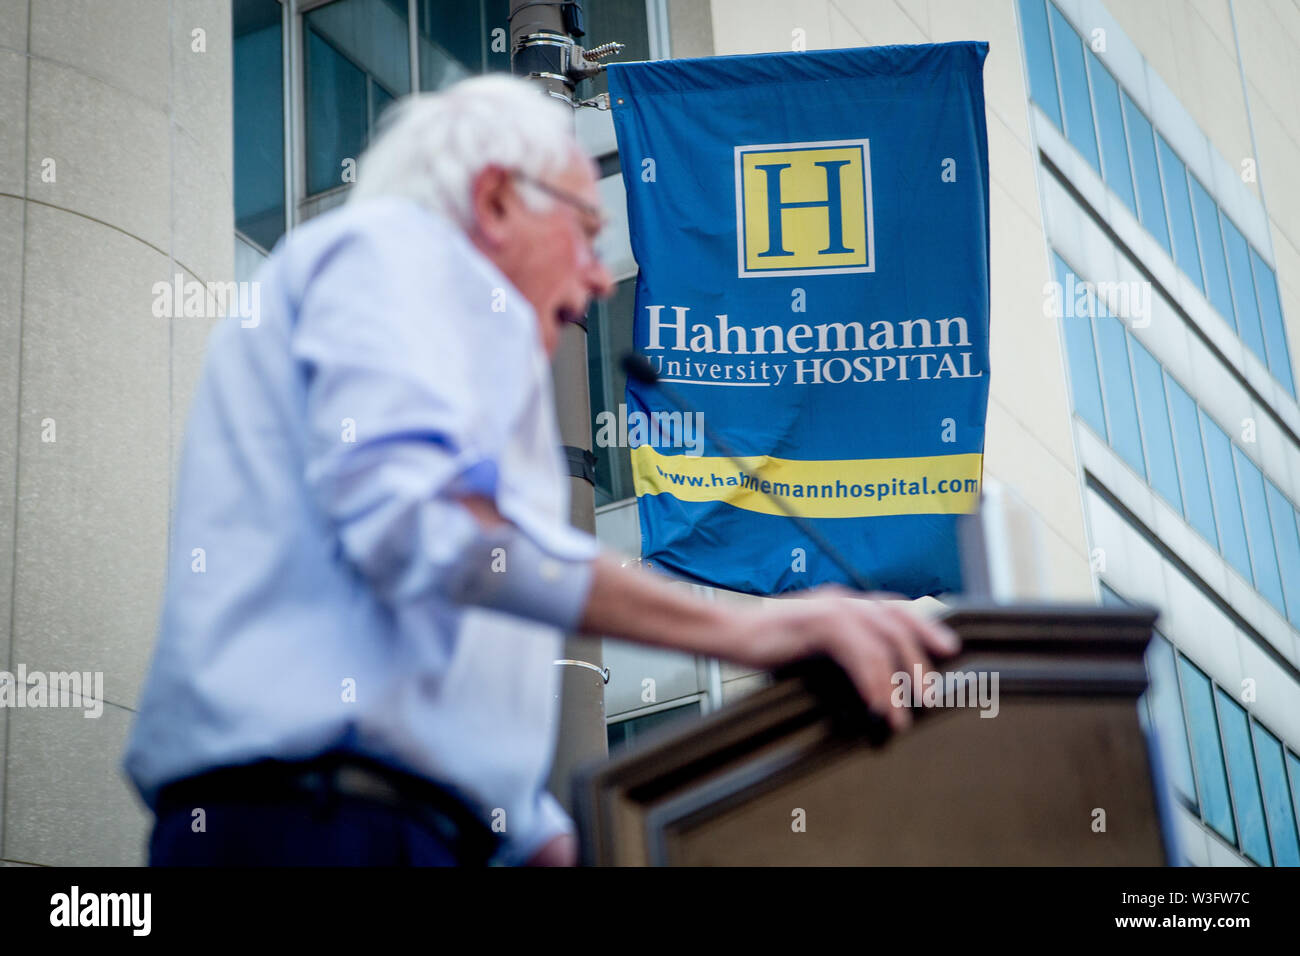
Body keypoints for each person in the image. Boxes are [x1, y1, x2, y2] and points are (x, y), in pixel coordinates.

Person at [123, 74, 958, 867]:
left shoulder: (441, 352)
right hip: (318, 828)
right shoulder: (397, 252)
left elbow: (449, 619)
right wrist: (759, 630)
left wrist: (538, 831)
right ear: (493, 199)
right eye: (587, 233)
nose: (599, 279)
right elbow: (429, 531)